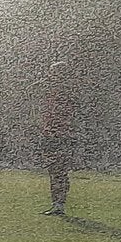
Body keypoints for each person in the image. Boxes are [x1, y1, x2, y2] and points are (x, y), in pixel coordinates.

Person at [39, 60, 78, 216]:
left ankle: (59, 203)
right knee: (54, 169)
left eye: (53, 72)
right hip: (51, 134)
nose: (50, 75)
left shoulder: (64, 93)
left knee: (59, 169)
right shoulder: (54, 91)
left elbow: (65, 116)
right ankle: (57, 203)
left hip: (60, 136)